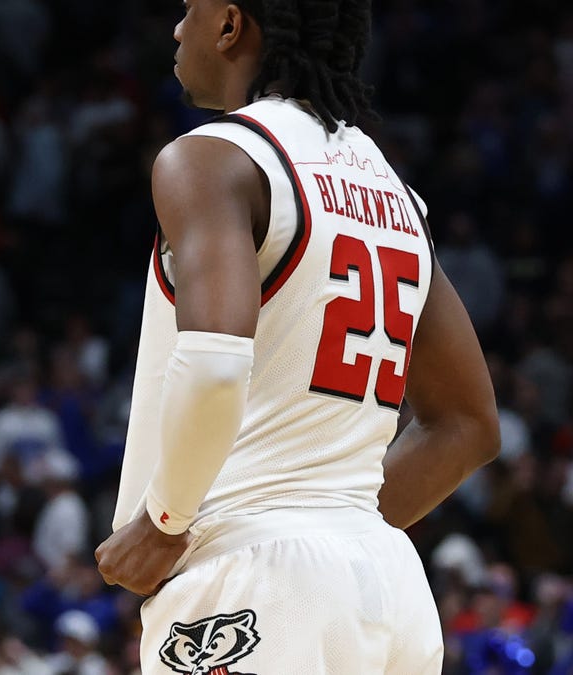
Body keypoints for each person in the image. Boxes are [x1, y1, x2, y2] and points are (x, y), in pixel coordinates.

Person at [94, 1, 500, 673]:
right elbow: (468, 422)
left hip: (248, 577)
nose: (176, 28)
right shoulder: (392, 190)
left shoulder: (209, 160)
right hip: (387, 580)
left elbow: (216, 366)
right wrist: (336, 531)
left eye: (189, 8)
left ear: (229, 24)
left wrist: (165, 521)